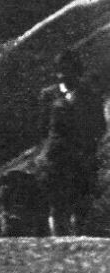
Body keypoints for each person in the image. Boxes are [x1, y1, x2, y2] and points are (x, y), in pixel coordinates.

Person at [37, 50, 106, 235]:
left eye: (69, 70)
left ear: (77, 71)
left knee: (81, 203)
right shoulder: (48, 95)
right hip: (56, 158)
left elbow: (99, 126)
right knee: (58, 204)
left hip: (82, 157)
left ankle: (79, 238)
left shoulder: (90, 95)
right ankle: (59, 241)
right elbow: (43, 128)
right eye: (61, 70)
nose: (64, 75)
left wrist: (87, 148)